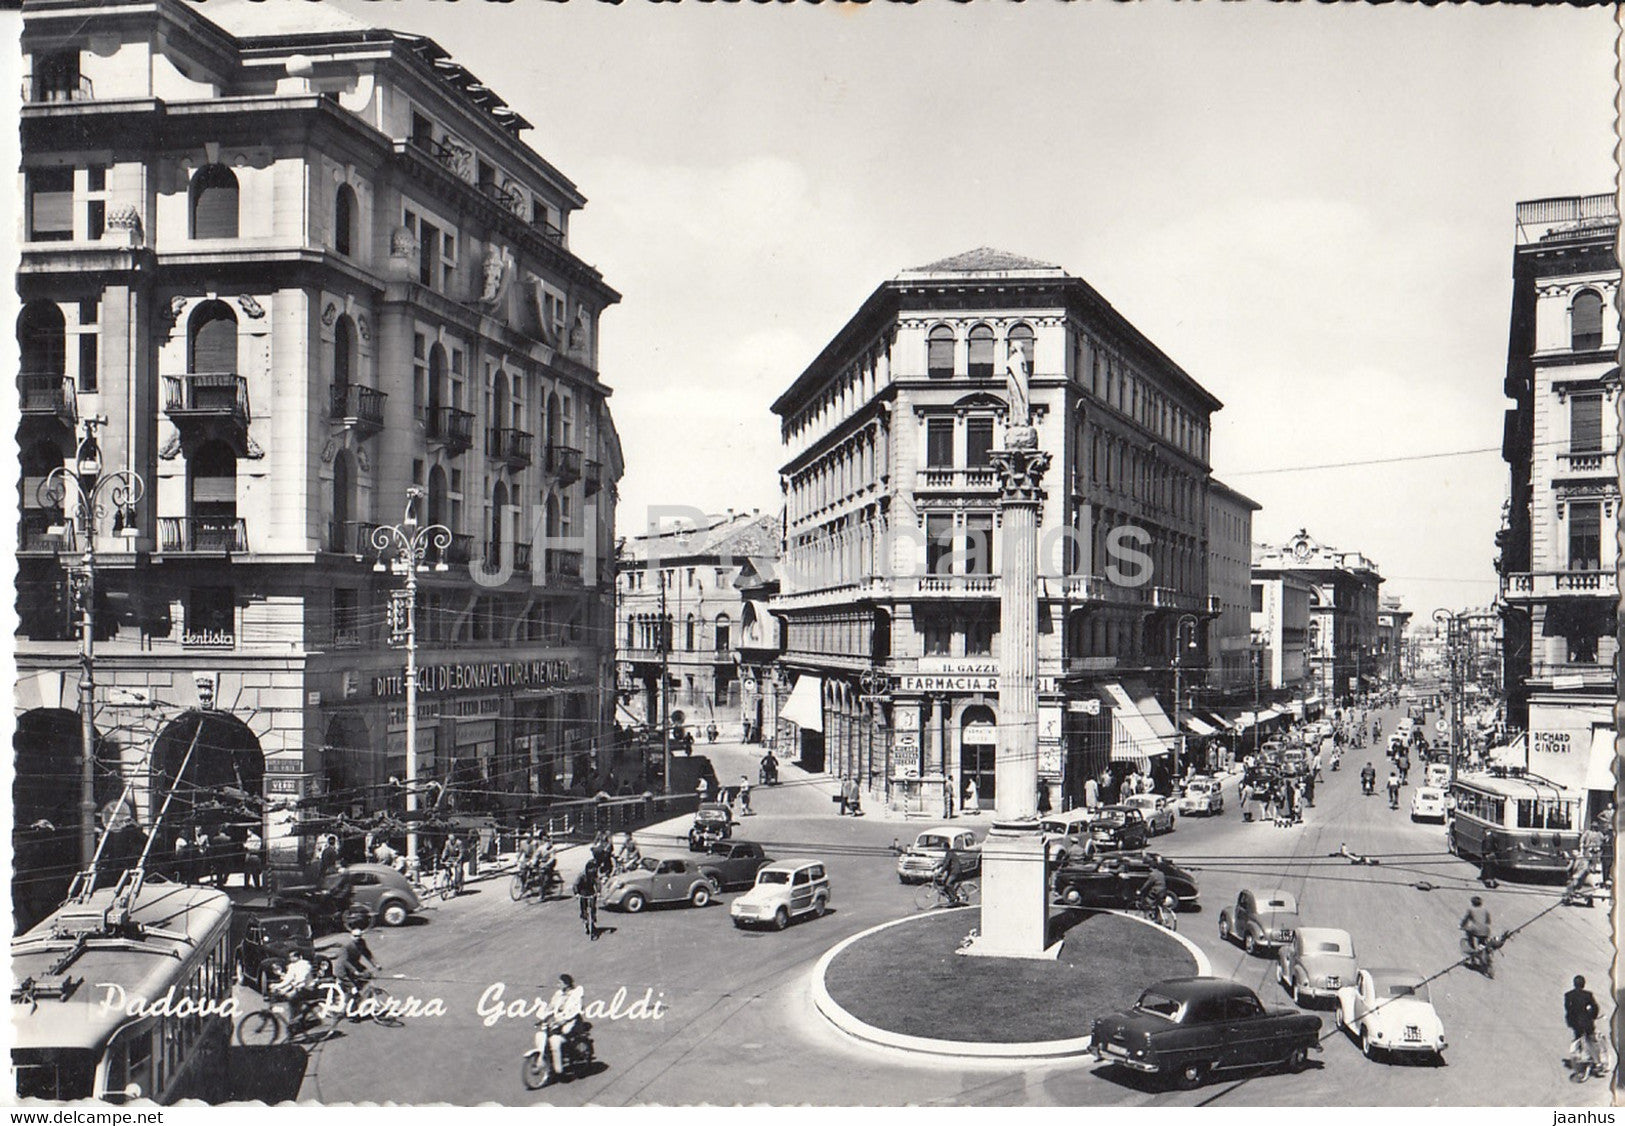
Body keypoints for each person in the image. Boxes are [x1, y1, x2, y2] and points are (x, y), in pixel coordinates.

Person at [544, 973, 586, 1076]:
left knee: (564, 1033)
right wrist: (543, 1017)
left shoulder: (575, 994)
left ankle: (562, 1066)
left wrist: (564, 1020)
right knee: (548, 1033)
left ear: (566, 984)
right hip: (559, 1021)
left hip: (572, 1021)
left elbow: (576, 1010)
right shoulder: (558, 994)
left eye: (560, 983)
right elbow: (551, 1006)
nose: (558, 985)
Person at [1565, 975, 1602, 1076]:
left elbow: (1568, 1010)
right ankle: (1598, 1063)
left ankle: (1576, 1060)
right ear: (1583, 984)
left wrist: (1570, 1022)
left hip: (1575, 1022)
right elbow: (1595, 1007)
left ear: (1574, 984)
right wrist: (1592, 1016)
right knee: (1591, 1041)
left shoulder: (1568, 995)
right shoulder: (1588, 995)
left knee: (1577, 1039)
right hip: (1586, 1022)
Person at [331, 925, 380, 995]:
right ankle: (349, 998)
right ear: (351, 936)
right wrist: (354, 971)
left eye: (359, 936)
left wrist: (375, 964)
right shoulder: (348, 946)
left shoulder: (362, 943)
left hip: (354, 964)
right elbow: (345, 961)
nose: (357, 938)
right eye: (355, 936)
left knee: (367, 975)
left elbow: (367, 954)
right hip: (343, 968)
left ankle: (358, 994)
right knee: (353, 988)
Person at [1460, 895, 1492, 964]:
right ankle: (1485, 954)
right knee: (1482, 942)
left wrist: (1461, 926)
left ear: (1472, 903)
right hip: (1486, 930)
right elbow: (1488, 921)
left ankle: (1472, 952)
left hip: (1475, 929)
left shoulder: (1470, 910)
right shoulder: (1485, 910)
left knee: (1469, 934)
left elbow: (1465, 919)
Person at [575, 863, 600, 939]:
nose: (592, 871)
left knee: (593, 907)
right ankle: (585, 920)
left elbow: (597, 883)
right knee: (584, 908)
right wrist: (576, 893)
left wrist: (598, 892)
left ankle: (593, 920)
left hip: (591, 892)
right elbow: (576, 885)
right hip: (583, 893)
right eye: (591, 869)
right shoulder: (581, 875)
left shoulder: (594, 874)